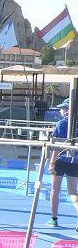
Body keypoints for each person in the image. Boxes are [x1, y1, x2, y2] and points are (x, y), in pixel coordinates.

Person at [47, 99, 78, 230]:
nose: (62, 111)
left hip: (60, 160)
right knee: (73, 191)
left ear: (67, 109)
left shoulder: (61, 123)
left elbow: (56, 146)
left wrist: (52, 163)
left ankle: (54, 219)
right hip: (75, 161)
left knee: (55, 190)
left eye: (64, 108)